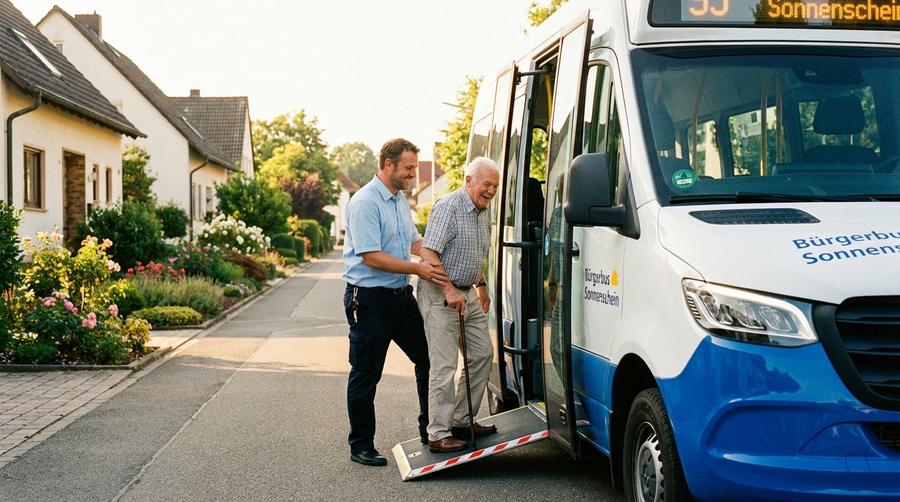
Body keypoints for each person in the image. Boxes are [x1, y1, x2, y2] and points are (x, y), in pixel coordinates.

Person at [342, 138, 449, 466]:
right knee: (366, 372)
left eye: (414, 167)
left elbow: (415, 242)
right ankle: (361, 444)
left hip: (401, 298)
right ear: (388, 164)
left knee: (429, 358)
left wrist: (439, 257)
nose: (413, 174)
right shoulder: (365, 202)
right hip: (369, 300)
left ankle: (430, 429)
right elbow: (372, 257)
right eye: (408, 168)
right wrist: (419, 269)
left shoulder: (399, 200)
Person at [416, 157, 501, 453]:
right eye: (486, 184)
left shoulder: (483, 210)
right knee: (444, 366)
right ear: (468, 181)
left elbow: (475, 253)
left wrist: (481, 286)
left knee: (481, 354)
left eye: (495, 186)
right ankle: (438, 434)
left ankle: (463, 421)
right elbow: (428, 252)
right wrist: (450, 289)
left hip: (466, 292)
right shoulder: (448, 206)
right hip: (440, 294)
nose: (490, 190)